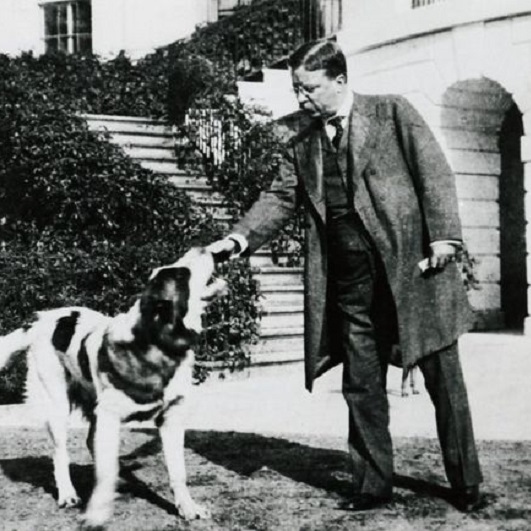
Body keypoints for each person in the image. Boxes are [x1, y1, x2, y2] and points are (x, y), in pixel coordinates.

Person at [206, 39, 483, 512]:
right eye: (296, 89)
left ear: (339, 80)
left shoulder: (393, 113)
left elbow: (434, 173)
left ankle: (466, 484)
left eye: (309, 88)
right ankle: (373, 486)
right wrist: (237, 240)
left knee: (445, 385)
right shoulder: (303, 143)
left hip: (412, 275)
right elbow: (278, 199)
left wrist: (443, 238)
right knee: (361, 385)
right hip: (349, 285)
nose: (301, 99)